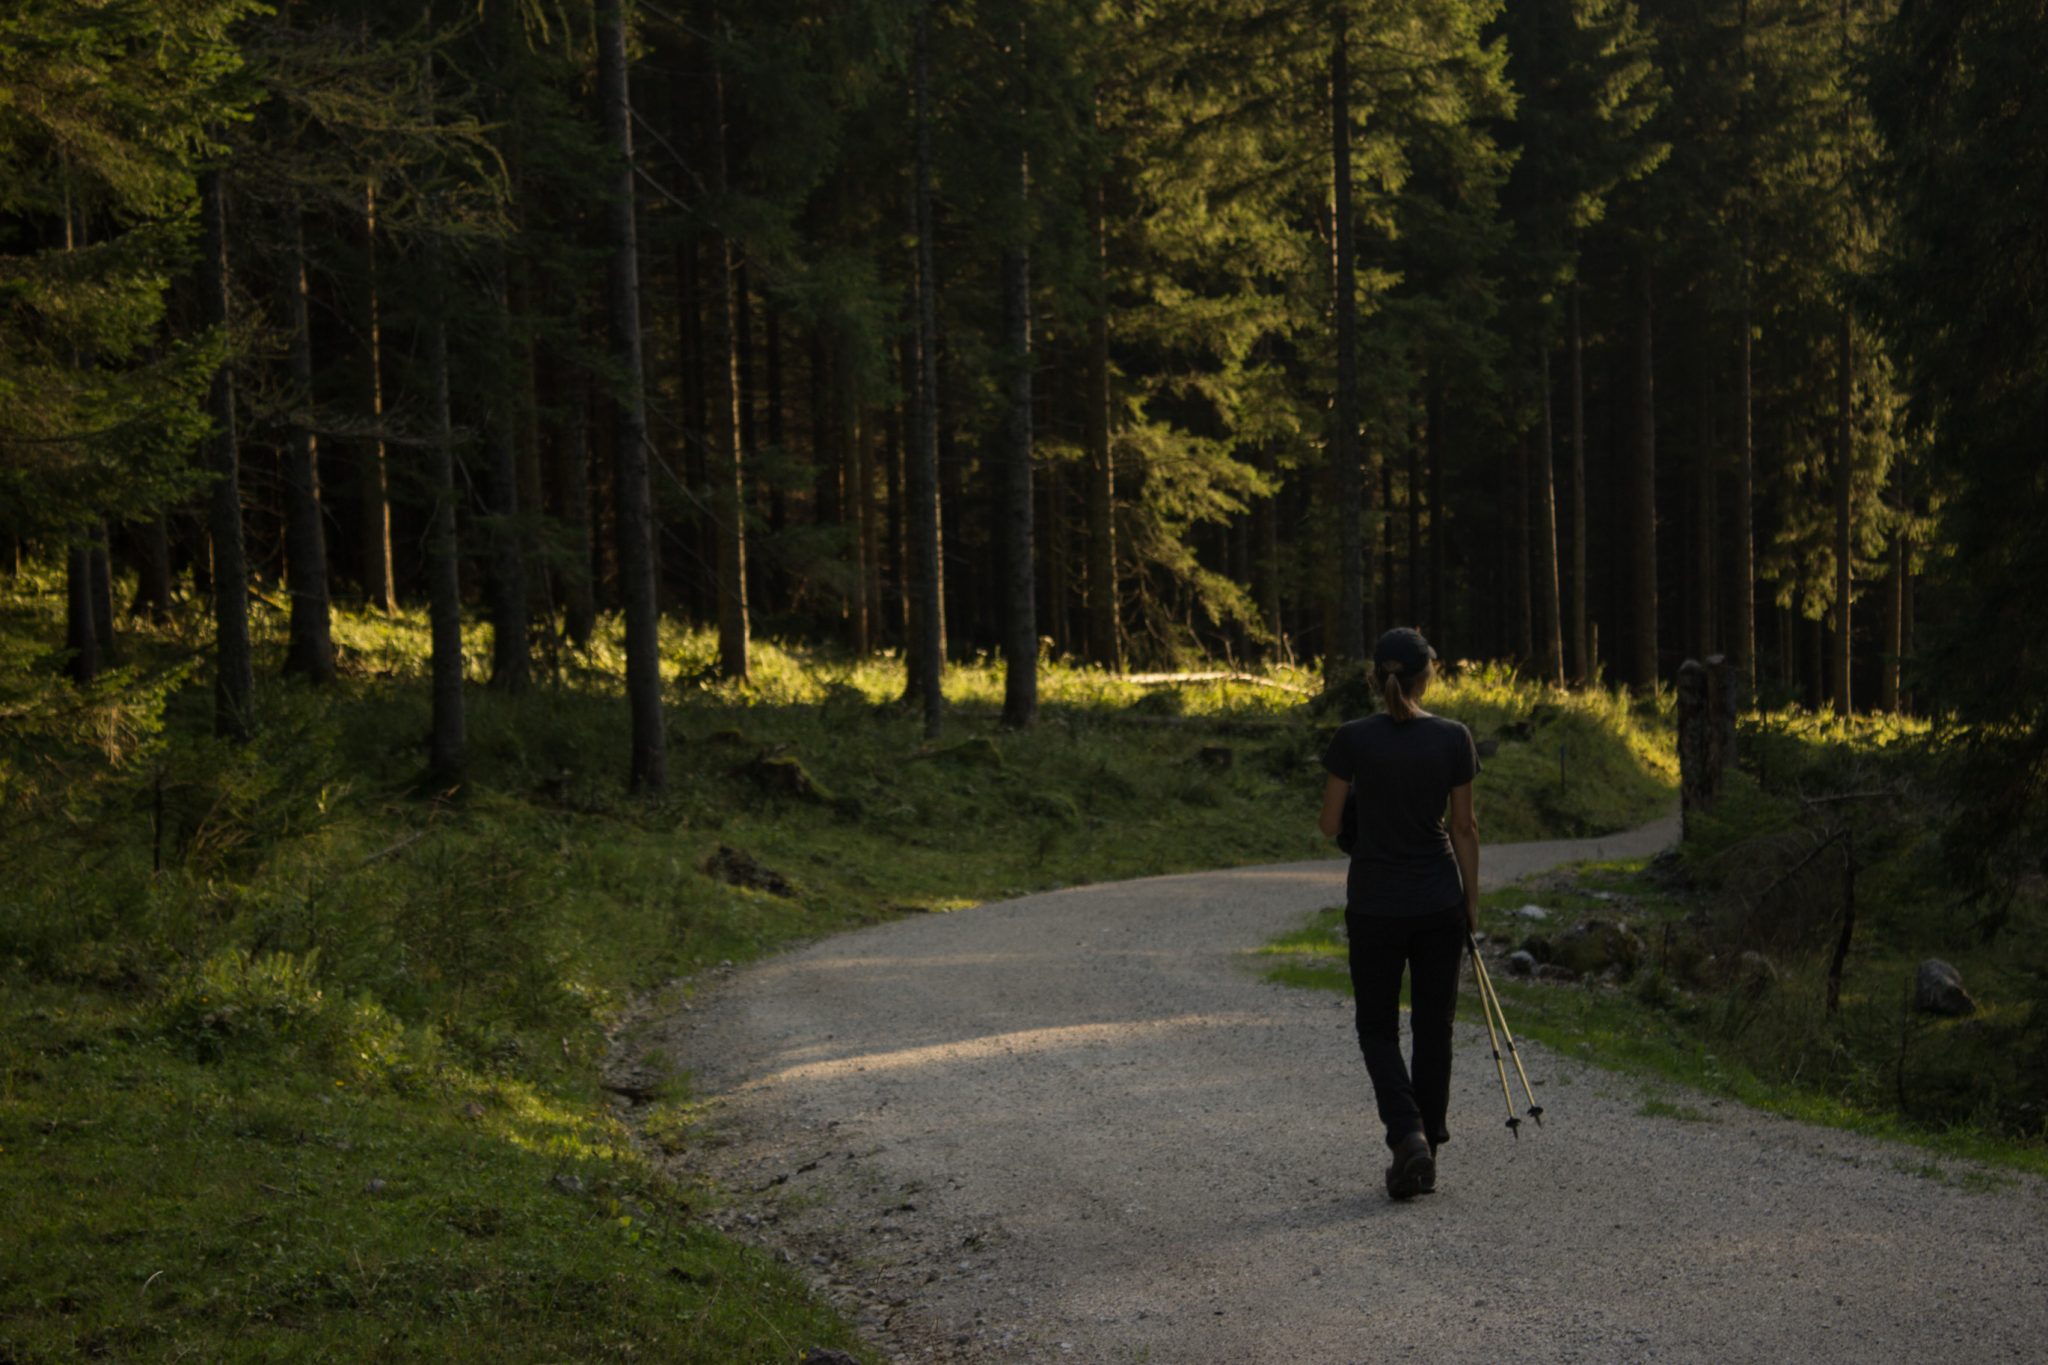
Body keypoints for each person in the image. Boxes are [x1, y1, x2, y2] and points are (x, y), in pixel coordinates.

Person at [1316, 627, 1482, 1200]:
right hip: (1439, 901)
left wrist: (1366, 805)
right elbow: (1463, 827)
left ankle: (1406, 1136)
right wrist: (1471, 902)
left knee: (1377, 1028)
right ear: (1427, 674)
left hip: (1374, 905)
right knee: (1433, 1026)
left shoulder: (1351, 739)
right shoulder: (1453, 738)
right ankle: (1425, 1147)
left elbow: (1330, 824)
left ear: (1375, 677)